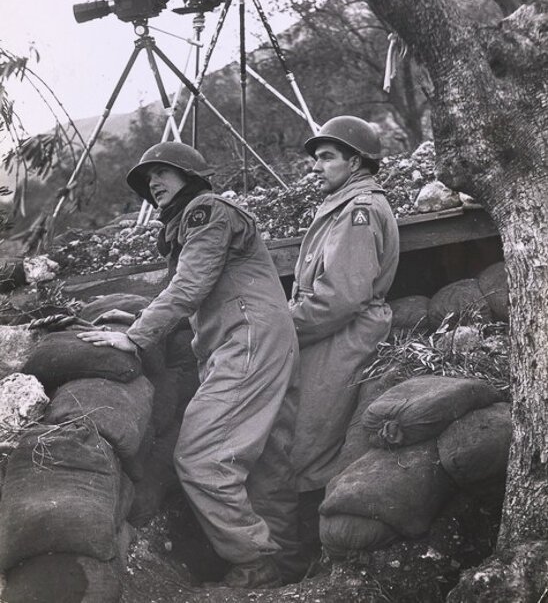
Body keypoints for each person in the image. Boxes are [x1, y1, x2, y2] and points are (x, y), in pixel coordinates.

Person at [78, 141, 300, 589]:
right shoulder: (190, 223)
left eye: (162, 172)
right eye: (147, 178)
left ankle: (255, 561)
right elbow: (191, 288)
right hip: (252, 338)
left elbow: (190, 285)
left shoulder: (206, 211)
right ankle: (293, 568)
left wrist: (136, 336)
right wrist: (139, 317)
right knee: (266, 461)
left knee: (201, 457)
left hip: (247, 340)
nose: (154, 182)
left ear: (190, 176)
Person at [289, 116, 399, 496]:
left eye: (326, 157)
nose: (316, 167)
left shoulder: (358, 211)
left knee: (308, 444)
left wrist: (284, 329)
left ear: (354, 163)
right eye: (316, 158)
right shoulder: (343, 204)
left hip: (341, 334)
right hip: (329, 331)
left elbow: (341, 297)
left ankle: (308, 548)